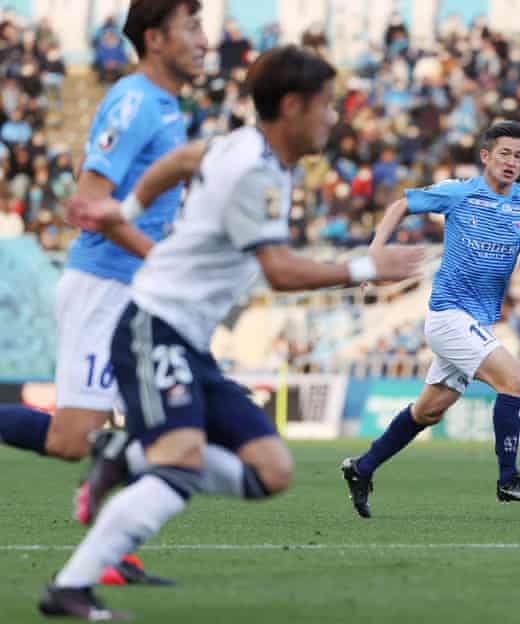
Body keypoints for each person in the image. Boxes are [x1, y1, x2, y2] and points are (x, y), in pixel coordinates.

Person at [37, 44, 423, 620]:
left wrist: (130, 205)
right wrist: (367, 268)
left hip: (185, 339)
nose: (333, 118)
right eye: (325, 106)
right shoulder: (254, 172)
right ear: (292, 107)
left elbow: (185, 159)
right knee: (181, 464)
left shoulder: (242, 146)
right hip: (153, 329)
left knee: (272, 471)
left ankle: (127, 455)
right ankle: (71, 586)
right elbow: (278, 270)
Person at [0, 0, 208, 585]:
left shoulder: (168, 107)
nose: (202, 38)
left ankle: (115, 552)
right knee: (72, 439)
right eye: (190, 27)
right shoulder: (137, 101)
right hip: (103, 289)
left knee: (156, 423)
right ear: (155, 38)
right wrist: (159, 257)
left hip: (135, 291)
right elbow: (88, 205)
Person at [341, 120, 520, 518]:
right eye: (504, 153)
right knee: (514, 379)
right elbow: (401, 205)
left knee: (428, 411)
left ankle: (362, 468)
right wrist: (373, 256)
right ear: (485, 156)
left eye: (519, 155)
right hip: (448, 316)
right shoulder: (460, 193)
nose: (512, 161)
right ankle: (508, 479)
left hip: (475, 324)